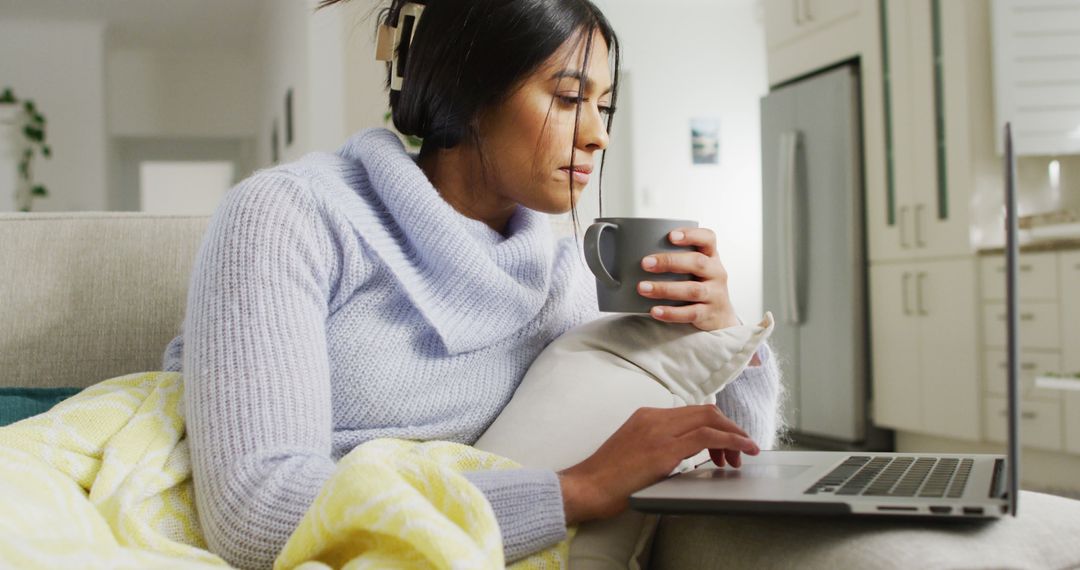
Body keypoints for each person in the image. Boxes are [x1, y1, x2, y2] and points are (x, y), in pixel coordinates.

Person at [162, 0, 782, 568]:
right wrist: (577, 490)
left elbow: (735, 465)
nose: (598, 134)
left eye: (605, 106)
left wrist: (725, 332)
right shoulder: (287, 216)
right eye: (569, 99)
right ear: (466, 94)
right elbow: (252, 509)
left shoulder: (560, 275)